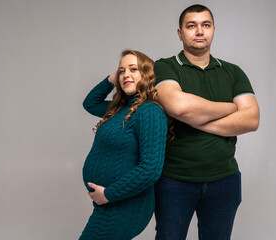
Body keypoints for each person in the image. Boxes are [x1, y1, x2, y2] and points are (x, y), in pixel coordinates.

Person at [153, 4, 260, 240]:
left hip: (224, 180)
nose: (199, 31)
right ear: (180, 33)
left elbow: (252, 119)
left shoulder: (233, 72)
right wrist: (232, 108)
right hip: (174, 180)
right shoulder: (164, 66)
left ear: (213, 30)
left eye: (205, 25)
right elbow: (179, 107)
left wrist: (195, 119)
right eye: (191, 26)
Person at [79, 49, 168, 240]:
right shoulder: (120, 108)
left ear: (147, 75)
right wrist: (113, 78)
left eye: (134, 69)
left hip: (125, 205)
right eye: (122, 71)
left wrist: (109, 194)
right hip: (110, 203)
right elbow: (90, 103)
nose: (126, 74)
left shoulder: (149, 111)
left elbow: (151, 169)